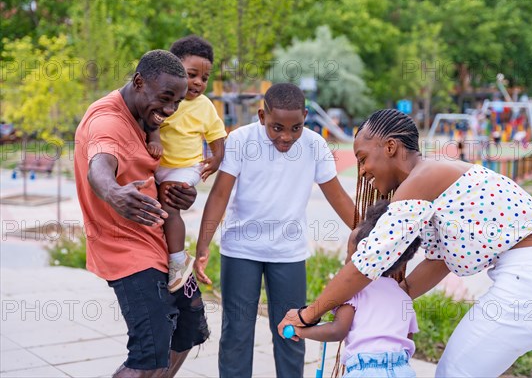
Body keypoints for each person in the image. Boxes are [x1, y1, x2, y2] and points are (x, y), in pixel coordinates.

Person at [279, 109, 532, 377]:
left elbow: (366, 263)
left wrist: (308, 313)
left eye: (363, 159)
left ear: (391, 147)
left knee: (454, 372)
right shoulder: (434, 185)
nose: (362, 171)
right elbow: (439, 262)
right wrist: (389, 297)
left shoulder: (422, 179)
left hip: (530, 284)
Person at [194, 82, 355, 378]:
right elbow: (219, 195)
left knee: (291, 332)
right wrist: (202, 246)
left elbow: (338, 198)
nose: (286, 136)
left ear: (306, 116)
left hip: (288, 253)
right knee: (237, 334)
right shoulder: (241, 140)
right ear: (261, 116)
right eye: (277, 127)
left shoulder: (315, 144)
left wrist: (368, 234)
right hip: (241, 250)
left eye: (296, 128)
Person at [74, 50, 210, 378]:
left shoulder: (143, 116)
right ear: (139, 82)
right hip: (129, 253)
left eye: (177, 102)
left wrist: (179, 193)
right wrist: (112, 193)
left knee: (191, 329)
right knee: (149, 353)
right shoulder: (108, 122)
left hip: (162, 246)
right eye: (165, 98)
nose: (169, 110)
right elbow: (100, 167)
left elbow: (149, 175)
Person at [290, 199, 420, 378]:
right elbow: (408, 336)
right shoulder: (402, 295)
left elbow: (338, 330)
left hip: (365, 370)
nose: (346, 262)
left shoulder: (353, 291)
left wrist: (300, 331)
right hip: (402, 369)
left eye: (350, 257)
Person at [145, 35, 227, 292]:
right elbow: (151, 119)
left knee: (169, 204)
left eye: (204, 78)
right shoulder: (165, 97)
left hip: (186, 166)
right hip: (157, 165)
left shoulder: (204, 106)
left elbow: (217, 136)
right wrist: (156, 136)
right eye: (192, 75)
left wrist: (216, 159)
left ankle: (178, 260)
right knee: (151, 206)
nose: (199, 82)